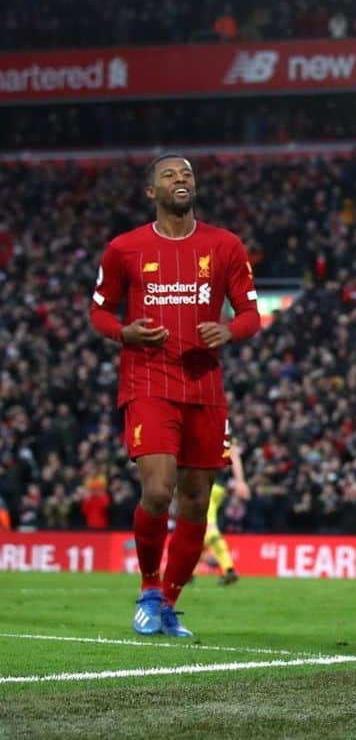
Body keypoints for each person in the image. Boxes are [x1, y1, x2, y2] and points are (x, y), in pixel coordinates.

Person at [89, 153, 261, 636]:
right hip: (148, 382)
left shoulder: (224, 245)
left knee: (194, 503)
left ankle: (168, 602)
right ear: (152, 192)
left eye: (186, 174)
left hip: (205, 387)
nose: (180, 179)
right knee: (158, 490)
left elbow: (251, 313)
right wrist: (125, 333)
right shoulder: (124, 249)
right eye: (169, 175)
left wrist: (229, 331)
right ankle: (147, 586)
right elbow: (98, 313)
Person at [203, 440, 251, 585]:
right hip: (218, 487)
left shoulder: (215, 431)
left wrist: (240, 481)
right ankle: (229, 569)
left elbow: (233, 453)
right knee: (207, 527)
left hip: (208, 486)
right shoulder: (218, 431)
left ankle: (188, 568)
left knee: (207, 527)